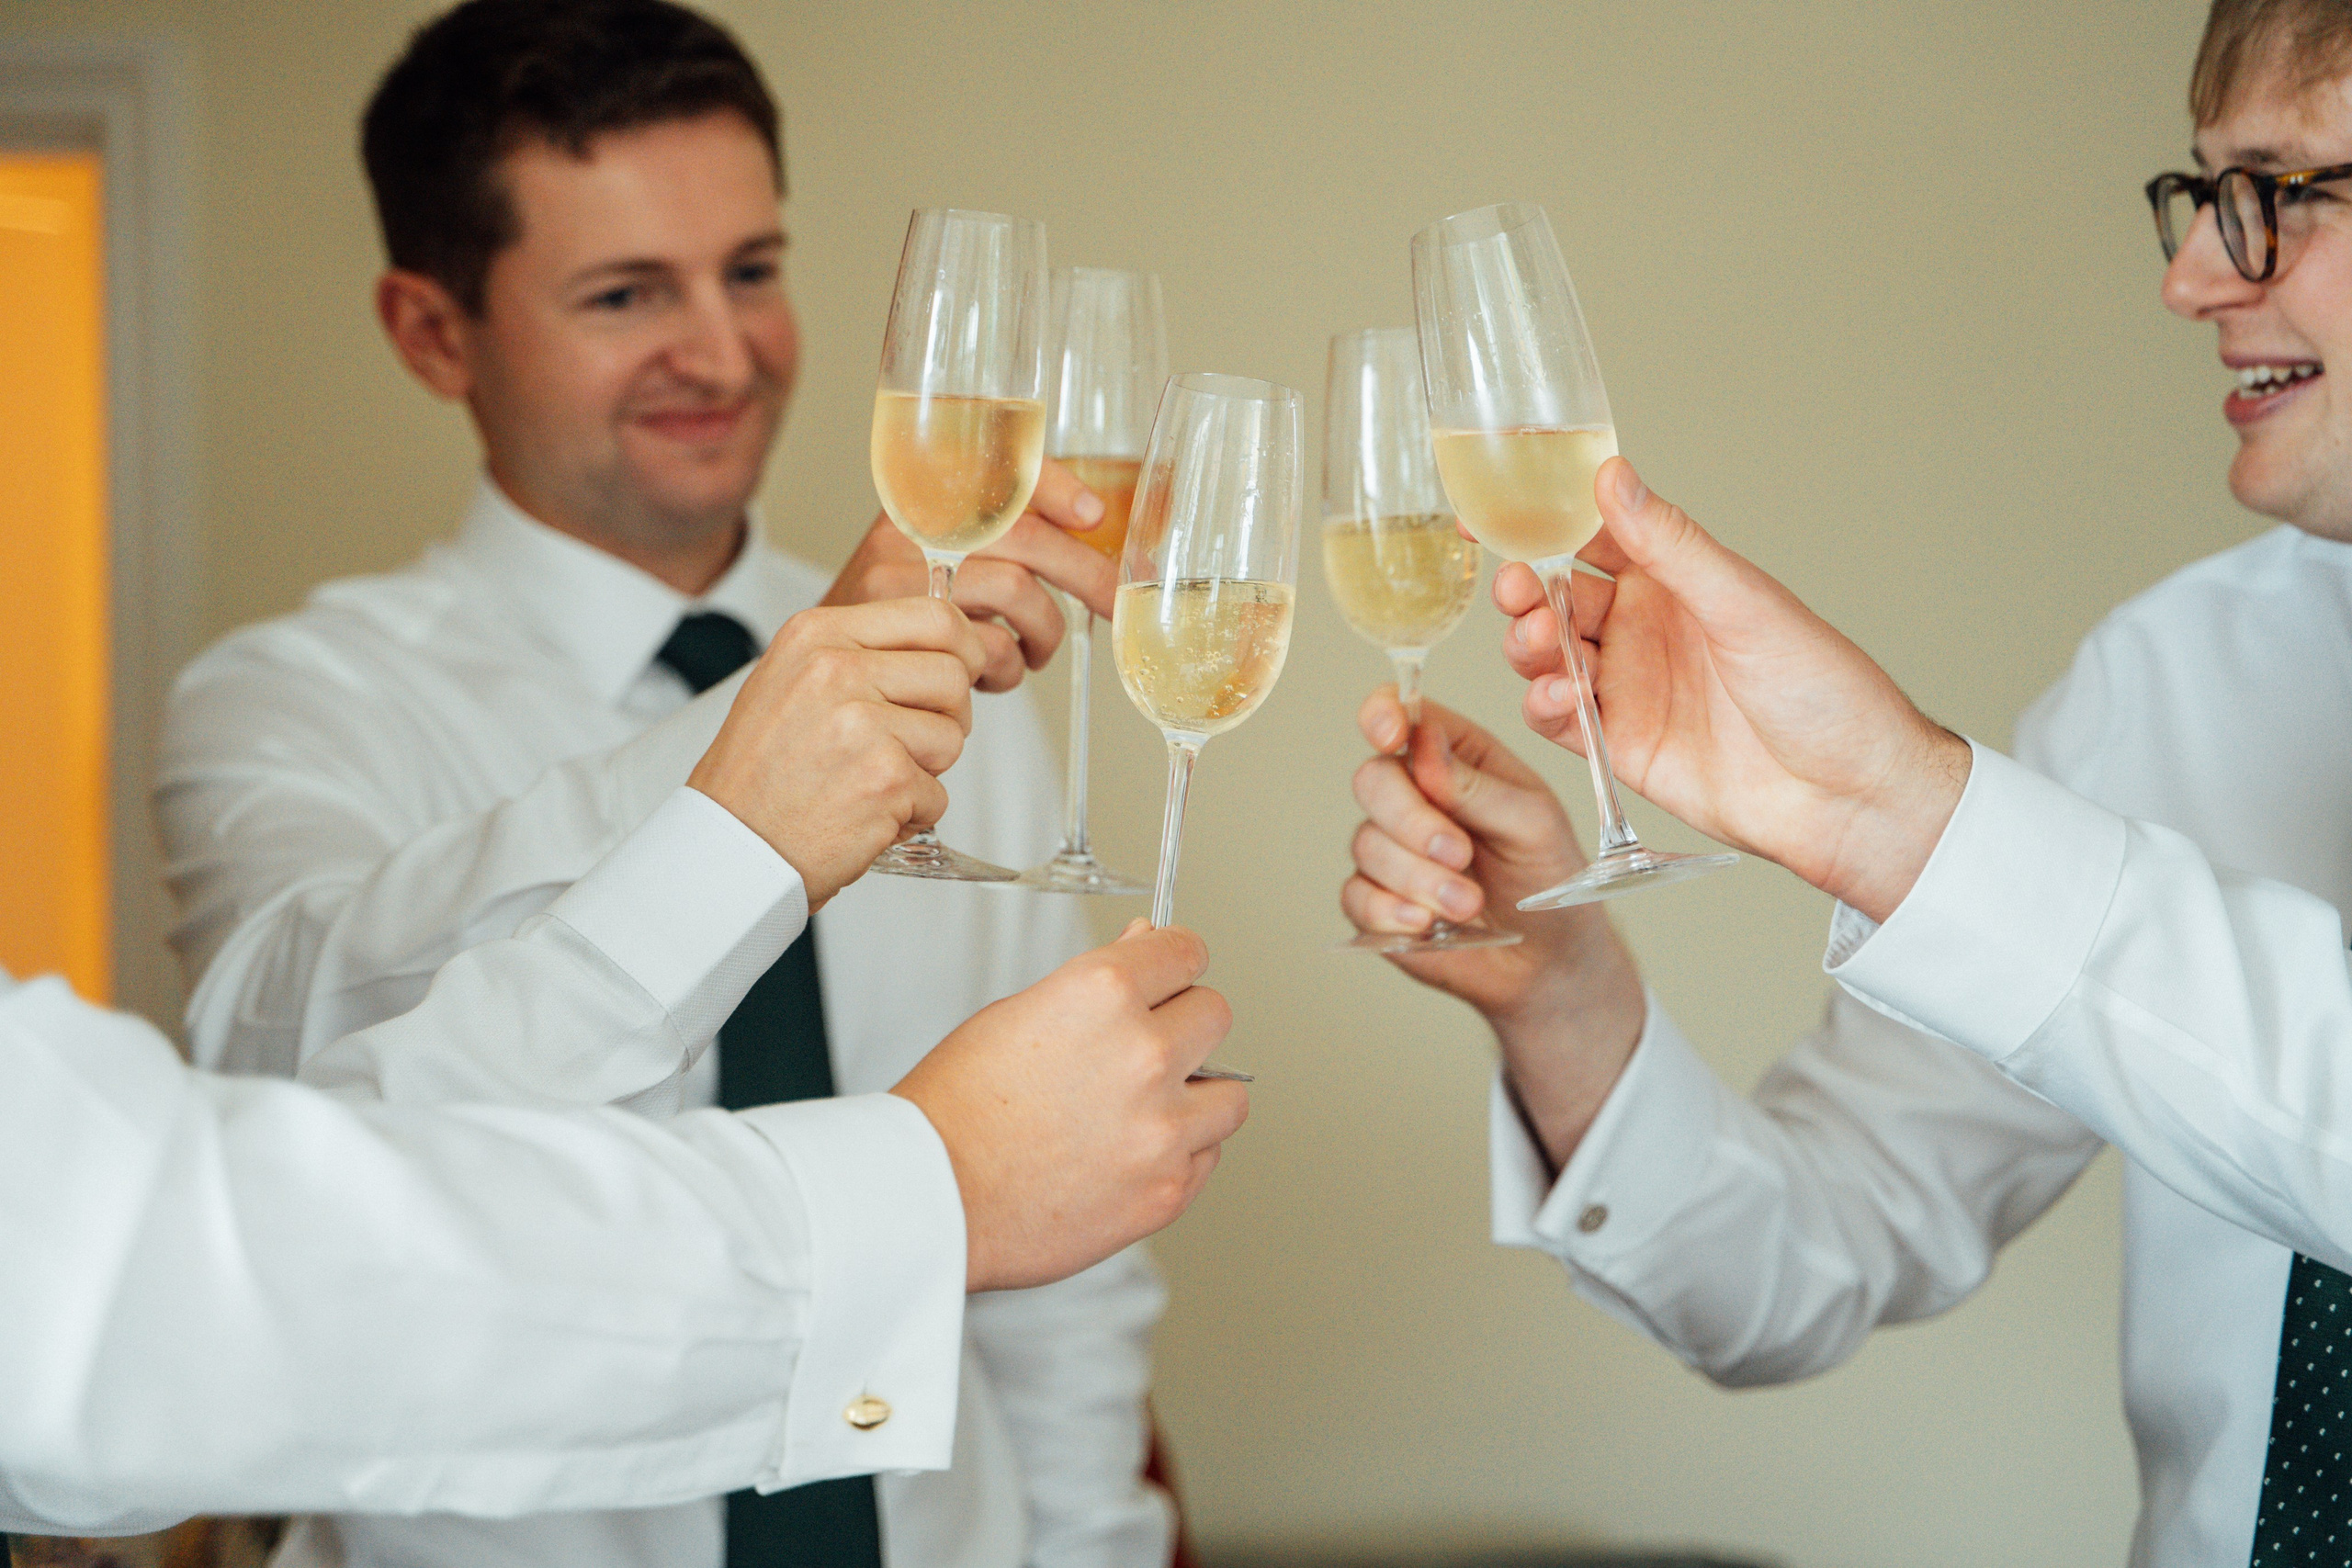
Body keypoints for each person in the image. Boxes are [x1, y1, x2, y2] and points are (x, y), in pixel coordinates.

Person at [153, 3, 1178, 1565]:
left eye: (751, 270)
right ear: (434, 332)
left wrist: (1095, 1546)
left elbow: (1067, 1273)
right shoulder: (288, 704)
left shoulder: (970, 677)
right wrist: (767, 744)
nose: (725, 351)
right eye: (628, 292)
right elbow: (306, 1094)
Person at [1341, 3, 2352, 1563]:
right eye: (2204, 195)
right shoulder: (2163, 684)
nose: (2193, 277)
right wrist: (1567, 998)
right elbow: (1807, 1258)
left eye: (2279, 193)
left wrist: (1913, 819)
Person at [2, 755, 1241, 1534]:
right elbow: (159, 1287)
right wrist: (930, 1190)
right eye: (619, 307)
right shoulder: (303, 698)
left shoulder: (980, 728)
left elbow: (342, 1152)